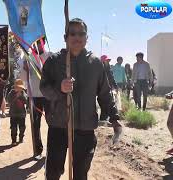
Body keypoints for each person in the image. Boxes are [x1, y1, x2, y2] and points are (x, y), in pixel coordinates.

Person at [40, 18, 122, 180]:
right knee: (53, 173)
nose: (77, 37)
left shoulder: (95, 63)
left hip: (85, 129)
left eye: (81, 33)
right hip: (59, 126)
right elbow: (44, 88)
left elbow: (104, 94)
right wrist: (59, 90)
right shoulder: (54, 61)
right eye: (72, 33)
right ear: (65, 37)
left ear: (86, 38)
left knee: (80, 174)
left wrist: (114, 118)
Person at [20, 38, 52, 159]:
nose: (37, 44)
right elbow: (23, 78)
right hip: (34, 95)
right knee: (35, 124)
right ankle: (38, 150)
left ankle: (52, 149)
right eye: (35, 42)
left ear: (43, 42)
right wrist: (25, 69)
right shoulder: (28, 57)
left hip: (48, 96)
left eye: (39, 42)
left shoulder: (51, 56)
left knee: (52, 123)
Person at [7, 79, 27, 145]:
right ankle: (13, 140)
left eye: (20, 88)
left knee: (22, 127)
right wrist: (15, 97)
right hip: (13, 114)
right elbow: (8, 100)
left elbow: (26, 101)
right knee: (13, 128)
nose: (18, 89)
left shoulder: (23, 93)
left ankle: (21, 138)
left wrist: (21, 96)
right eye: (17, 87)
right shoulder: (11, 93)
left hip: (22, 114)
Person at [100, 55, 118, 122]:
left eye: (108, 60)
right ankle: (103, 118)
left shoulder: (109, 69)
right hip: (101, 89)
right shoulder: (100, 69)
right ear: (103, 61)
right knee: (103, 103)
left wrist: (115, 86)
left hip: (108, 88)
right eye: (106, 60)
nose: (108, 61)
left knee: (109, 102)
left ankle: (106, 117)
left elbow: (112, 78)